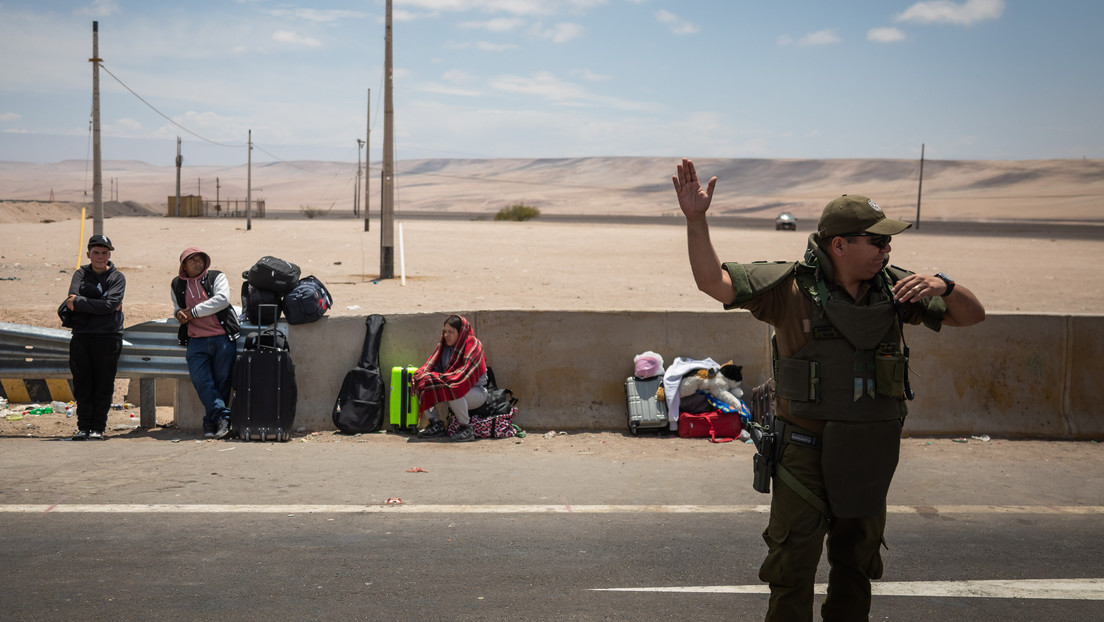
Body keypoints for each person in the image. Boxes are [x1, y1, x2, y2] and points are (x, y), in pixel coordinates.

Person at [673, 158, 986, 621]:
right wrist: (696, 220)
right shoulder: (789, 290)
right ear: (839, 245)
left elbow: (972, 316)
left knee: (855, 568)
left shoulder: (897, 291)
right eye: (876, 240)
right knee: (792, 567)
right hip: (803, 453)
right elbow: (712, 282)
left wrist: (946, 285)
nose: (887, 248)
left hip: (868, 453)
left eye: (888, 241)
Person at [171, 247, 240, 439]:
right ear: (184, 265)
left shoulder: (216, 277)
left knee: (222, 383)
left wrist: (193, 312)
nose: (197, 263)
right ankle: (222, 418)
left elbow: (222, 300)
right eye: (192, 260)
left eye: (200, 259)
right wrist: (178, 314)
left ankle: (211, 422)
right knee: (201, 381)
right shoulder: (177, 284)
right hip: (196, 340)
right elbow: (177, 307)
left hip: (222, 337)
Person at [66, 234, 126, 441]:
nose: (100, 257)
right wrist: (102, 304)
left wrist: (81, 302)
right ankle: (83, 427)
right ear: (88, 254)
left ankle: (98, 428)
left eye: (104, 253)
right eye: (96, 253)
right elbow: (71, 301)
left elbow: (110, 305)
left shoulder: (117, 277)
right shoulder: (80, 274)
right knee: (82, 384)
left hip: (108, 337)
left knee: (103, 384)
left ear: (109, 255)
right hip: (82, 336)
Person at [413, 314, 488, 443]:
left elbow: (462, 378)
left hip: (475, 392)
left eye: (451, 332)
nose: (446, 335)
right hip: (449, 387)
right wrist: (424, 377)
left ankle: (466, 428)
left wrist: (442, 379)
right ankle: (436, 423)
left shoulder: (473, 346)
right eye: (445, 331)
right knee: (422, 382)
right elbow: (433, 368)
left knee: (454, 388)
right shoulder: (444, 347)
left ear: (461, 333)